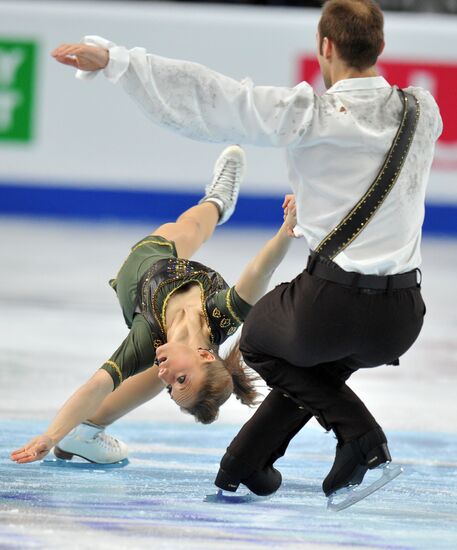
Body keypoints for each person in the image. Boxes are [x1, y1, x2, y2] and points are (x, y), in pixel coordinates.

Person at [46, 0, 441, 502]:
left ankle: (362, 439)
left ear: (325, 46)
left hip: (330, 310)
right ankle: (248, 460)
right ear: (381, 47)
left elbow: (214, 100)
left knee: (256, 339)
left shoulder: (312, 114)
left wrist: (120, 62)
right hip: (401, 321)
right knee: (311, 364)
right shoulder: (423, 110)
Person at [11, 145, 299, 465]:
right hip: (174, 267)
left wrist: (49, 436)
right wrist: (288, 227)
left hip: (141, 272)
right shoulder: (223, 314)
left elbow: (97, 384)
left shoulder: (147, 338)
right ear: (205, 354)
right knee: (193, 227)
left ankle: (85, 431)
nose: (168, 377)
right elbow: (262, 269)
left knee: (151, 367)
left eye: (172, 389)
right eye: (181, 380)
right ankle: (218, 200)